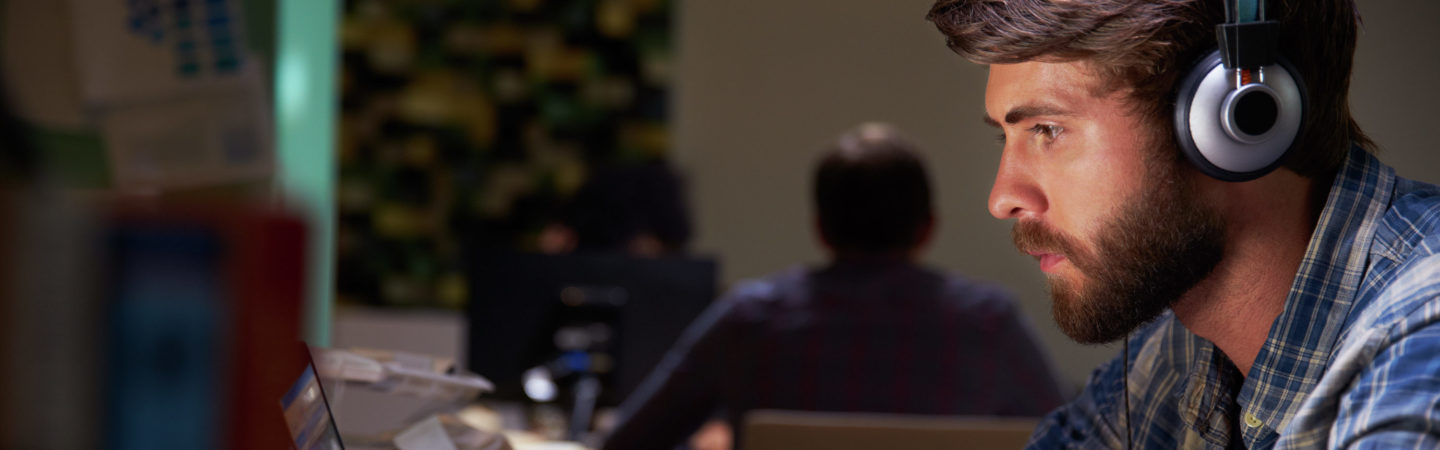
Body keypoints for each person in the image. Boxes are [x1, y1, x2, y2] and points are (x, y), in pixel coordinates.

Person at [926, 0, 1440, 448]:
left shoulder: (1422, 338)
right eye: (1007, 138)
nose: (1003, 199)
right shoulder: (1180, 353)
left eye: (1048, 129)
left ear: (1237, 121)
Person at [601, 123, 1065, 449]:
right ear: (927, 229)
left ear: (821, 229)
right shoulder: (988, 323)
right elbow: (1075, 440)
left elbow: (629, 441)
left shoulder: (749, 319)